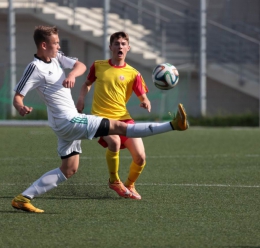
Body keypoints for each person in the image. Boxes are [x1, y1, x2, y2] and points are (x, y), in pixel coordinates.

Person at [11, 25, 189, 213]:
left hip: (66, 120)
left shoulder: (56, 57)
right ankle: (173, 125)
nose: (58, 46)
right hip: (68, 121)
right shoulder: (34, 67)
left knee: (69, 168)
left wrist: (71, 74)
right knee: (119, 128)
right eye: (55, 43)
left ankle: (23, 198)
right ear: (44, 45)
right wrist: (21, 107)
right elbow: (17, 96)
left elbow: (79, 66)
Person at [76, 31, 151, 200]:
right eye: (116, 44)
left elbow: (142, 94)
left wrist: (145, 101)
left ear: (128, 48)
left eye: (123, 44)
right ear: (110, 47)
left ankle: (130, 184)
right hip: (100, 118)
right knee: (115, 141)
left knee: (140, 157)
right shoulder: (98, 65)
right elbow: (86, 84)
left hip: (123, 118)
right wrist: (81, 99)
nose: (120, 46)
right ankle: (114, 180)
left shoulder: (134, 73)